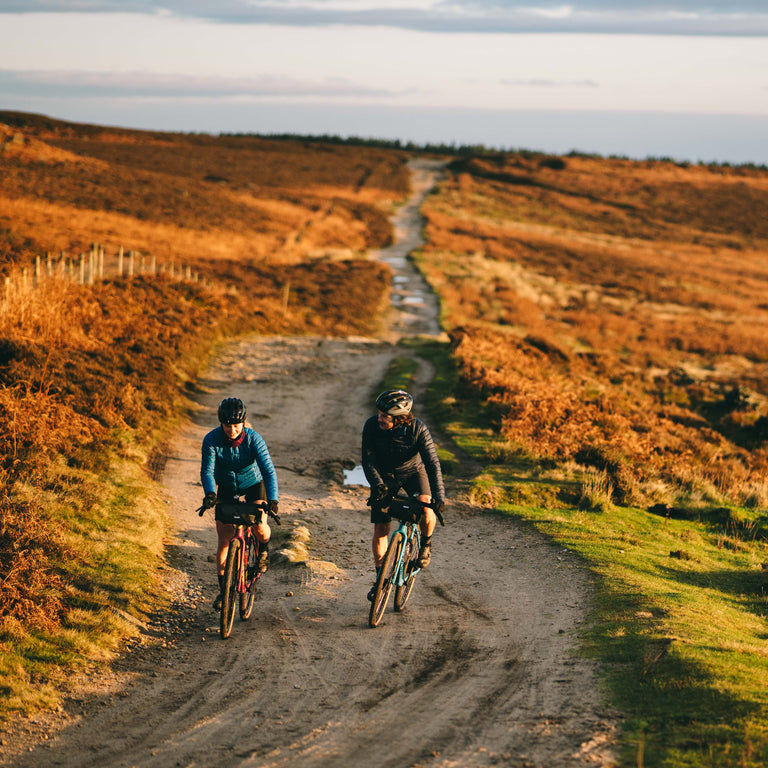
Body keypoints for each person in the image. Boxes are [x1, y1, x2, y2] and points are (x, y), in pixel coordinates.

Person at [362, 389, 446, 600]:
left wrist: (439, 496)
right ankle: (380, 578)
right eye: (379, 413)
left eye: (385, 416)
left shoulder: (418, 429)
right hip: (383, 476)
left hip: (413, 473)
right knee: (381, 528)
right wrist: (378, 484)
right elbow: (368, 460)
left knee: (426, 511)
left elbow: (432, 463)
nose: (379, 418)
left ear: (400, 418)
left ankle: (425, 543)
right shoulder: (372, 426)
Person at [200, 397, 279, 610]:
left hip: (253, 484)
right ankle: (224, 591)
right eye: (228, 425)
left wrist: (273, 499)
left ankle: (263, 551)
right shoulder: (211, 440)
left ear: (243, 423)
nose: (232, 430)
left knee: (260, 524)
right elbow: (207, 471)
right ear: (221, 423)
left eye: (236, 425)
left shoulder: (254, 439)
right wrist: (209, 494)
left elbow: (269, 471)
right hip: (226, 487)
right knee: (224, 538)